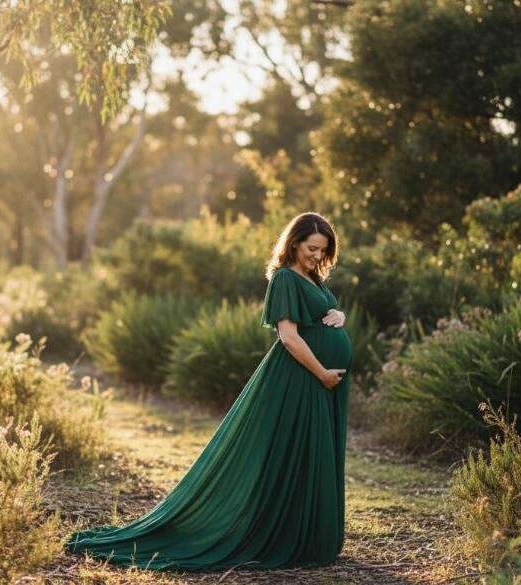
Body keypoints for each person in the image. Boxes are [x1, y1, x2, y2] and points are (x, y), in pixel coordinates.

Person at [65, 212, 354, 571]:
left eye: (322, 251)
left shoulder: (313, 277)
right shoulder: (283, 279)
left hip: (322, 382)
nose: (316, 256)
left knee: (313, 451)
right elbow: (289, 336)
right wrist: (322, 372)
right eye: (312, 248)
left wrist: (338, 317)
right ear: (294, 242)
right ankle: (284, 534)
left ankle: (307, 532)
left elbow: (324, 314)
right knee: (293, 451)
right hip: (302, 379)